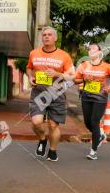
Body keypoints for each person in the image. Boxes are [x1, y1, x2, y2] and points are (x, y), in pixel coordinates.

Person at [26, 27, 75, 162]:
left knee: (53, 125)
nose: (46, 37)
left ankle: (52, 151)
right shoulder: (34, 53)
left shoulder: (64, 55)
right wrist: (30, 77)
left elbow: (72, 76)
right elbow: (29, 68)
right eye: (44, 35)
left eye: (49, 35)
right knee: (36, 122)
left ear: (56, 38)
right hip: (38, 92)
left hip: (56, 93)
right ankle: (42, 140)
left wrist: (57, 74)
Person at [74, 44, 110, 160]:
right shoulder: (83, 65)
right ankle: (100, 134)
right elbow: (75, 80)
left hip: (100, 98)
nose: (91, 50)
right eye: (89, 49)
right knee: (87, 122)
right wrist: (84, 79)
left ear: (100, 52)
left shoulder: (107, 66)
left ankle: (93, 151)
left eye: (94, 48)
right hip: (86, 96)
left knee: (94, 121)